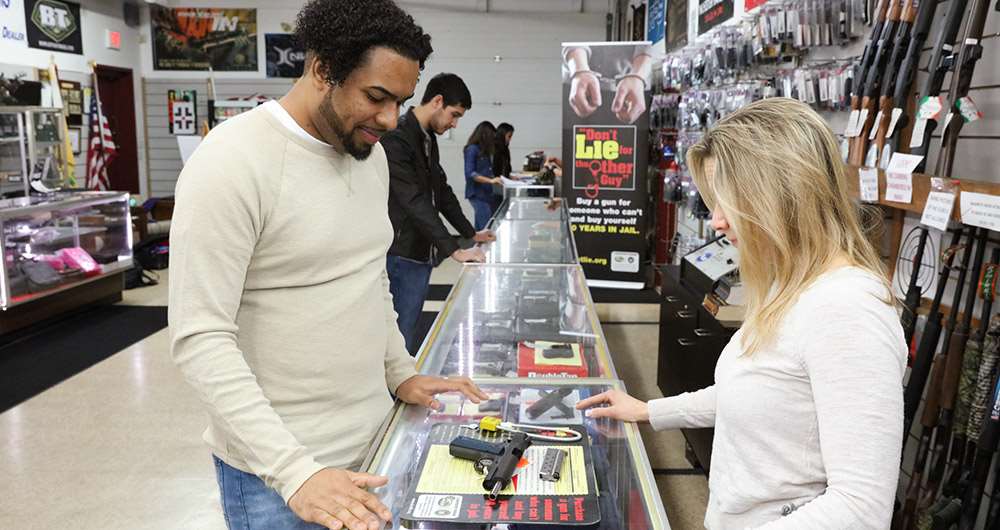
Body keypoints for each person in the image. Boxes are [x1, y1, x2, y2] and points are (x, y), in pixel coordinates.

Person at [168, 2, 487, 529]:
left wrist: (401, 373)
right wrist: (295, 473)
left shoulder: (371, 155)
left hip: (375, 444)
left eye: (401, 102)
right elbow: (199, 338)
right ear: (322, 70)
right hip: (280, 476)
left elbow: (369, 277)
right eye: (376, 97)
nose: (390, 120)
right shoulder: (230, 162)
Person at [577, 98, 906, 529]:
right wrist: (649, 412)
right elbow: (751, 392)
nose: (716, 221)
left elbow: (860, 508)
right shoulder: (790, 286)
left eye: (728, 201)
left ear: (780, 194)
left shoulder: (847, 309)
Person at [382, 73, 495, 355]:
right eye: (454, 115)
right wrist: (454, 249)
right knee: (399, 337)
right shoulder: (398, 138)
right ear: (437, 101)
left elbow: (441, 191)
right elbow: (414, 201)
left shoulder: (427, 138)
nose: (455, 124)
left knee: (408, 331)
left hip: (421, 253)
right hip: (401, 254)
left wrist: (470, 233)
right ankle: (395, 384)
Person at [464, 120, 501, 230]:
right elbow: (470, 173)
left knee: (480, 228)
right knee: (487, 227)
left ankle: (476, 241)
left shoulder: (484, 151)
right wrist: (491, 181)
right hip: (477, 194)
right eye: (492, 137)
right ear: (485, 135)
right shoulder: (472, 149)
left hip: (487, 193)